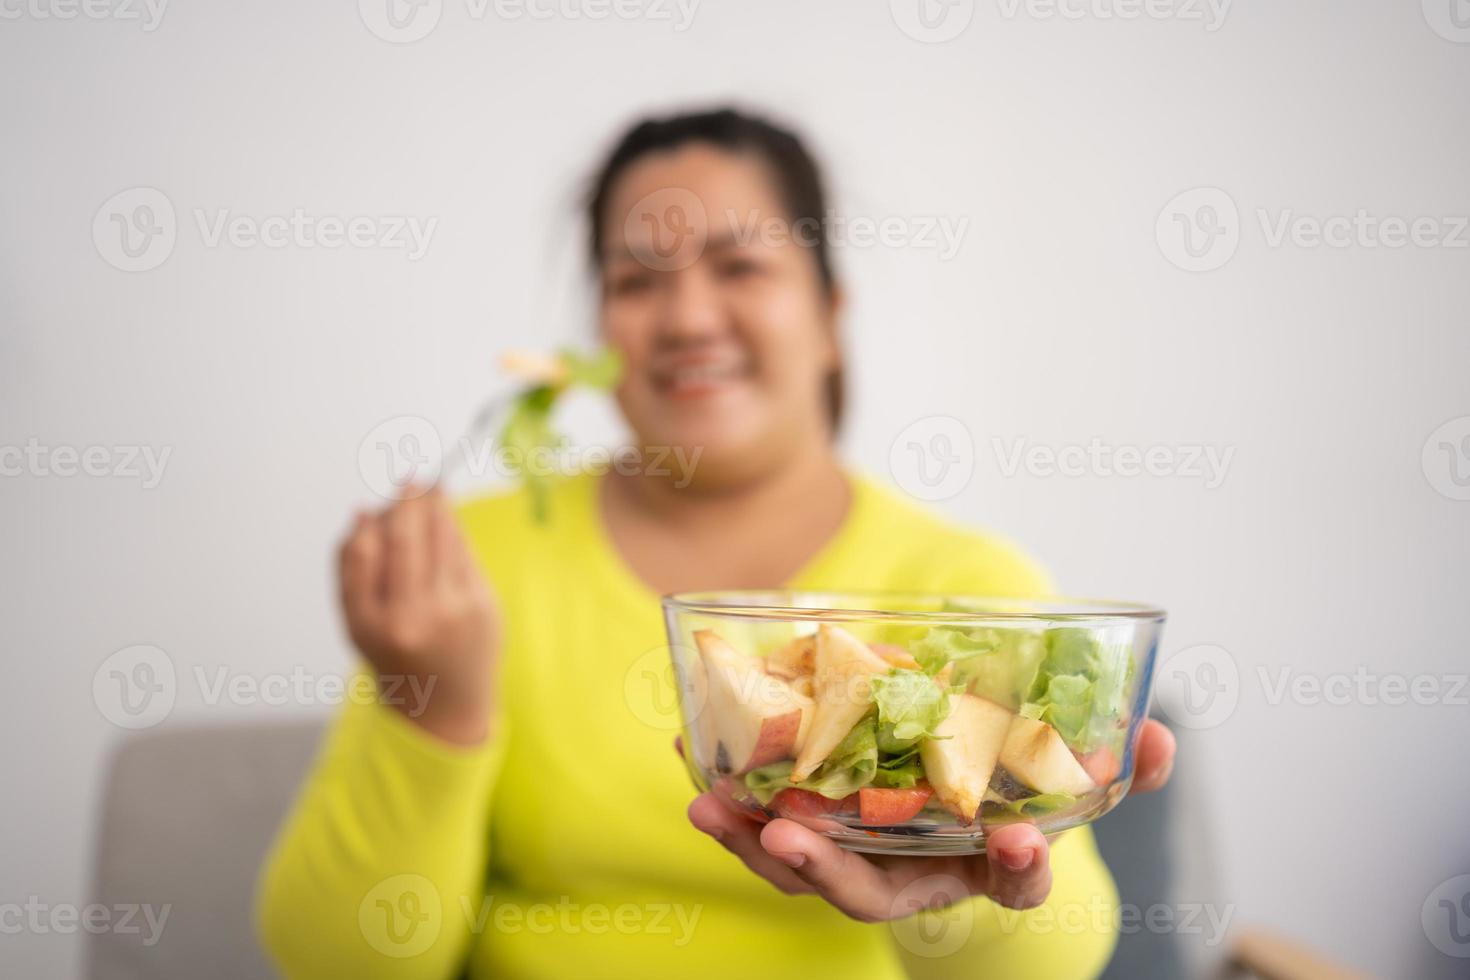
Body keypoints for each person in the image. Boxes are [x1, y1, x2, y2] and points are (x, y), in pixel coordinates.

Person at [256, 106, 1176, 979]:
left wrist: (951, 891)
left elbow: (1054, 961)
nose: (688, 319)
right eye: (636, 281)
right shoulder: (472, 568)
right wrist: (433, 710)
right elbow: (338, 957)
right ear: (602, 336)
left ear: (828, 315)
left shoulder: (970, 586)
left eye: (740, 266)